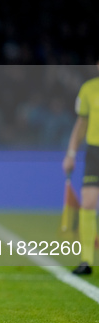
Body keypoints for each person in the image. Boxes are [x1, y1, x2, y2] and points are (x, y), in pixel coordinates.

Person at [62, 61, 99, 275]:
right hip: (94, 152)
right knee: (88, 202)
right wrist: (71, 153)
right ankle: (86, 260)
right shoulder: (88, 89)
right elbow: (81, 124)